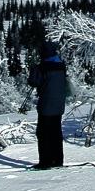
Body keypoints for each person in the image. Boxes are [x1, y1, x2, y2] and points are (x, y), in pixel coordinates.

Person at [27, 40, 69, 169]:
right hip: (59, 105)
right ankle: (57, 160)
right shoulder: (61, 66)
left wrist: (33, 69)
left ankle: (45, 161)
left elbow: (34, 82)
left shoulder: (43, 67)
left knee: (43, 133)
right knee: (56, 132)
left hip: (46, 105)